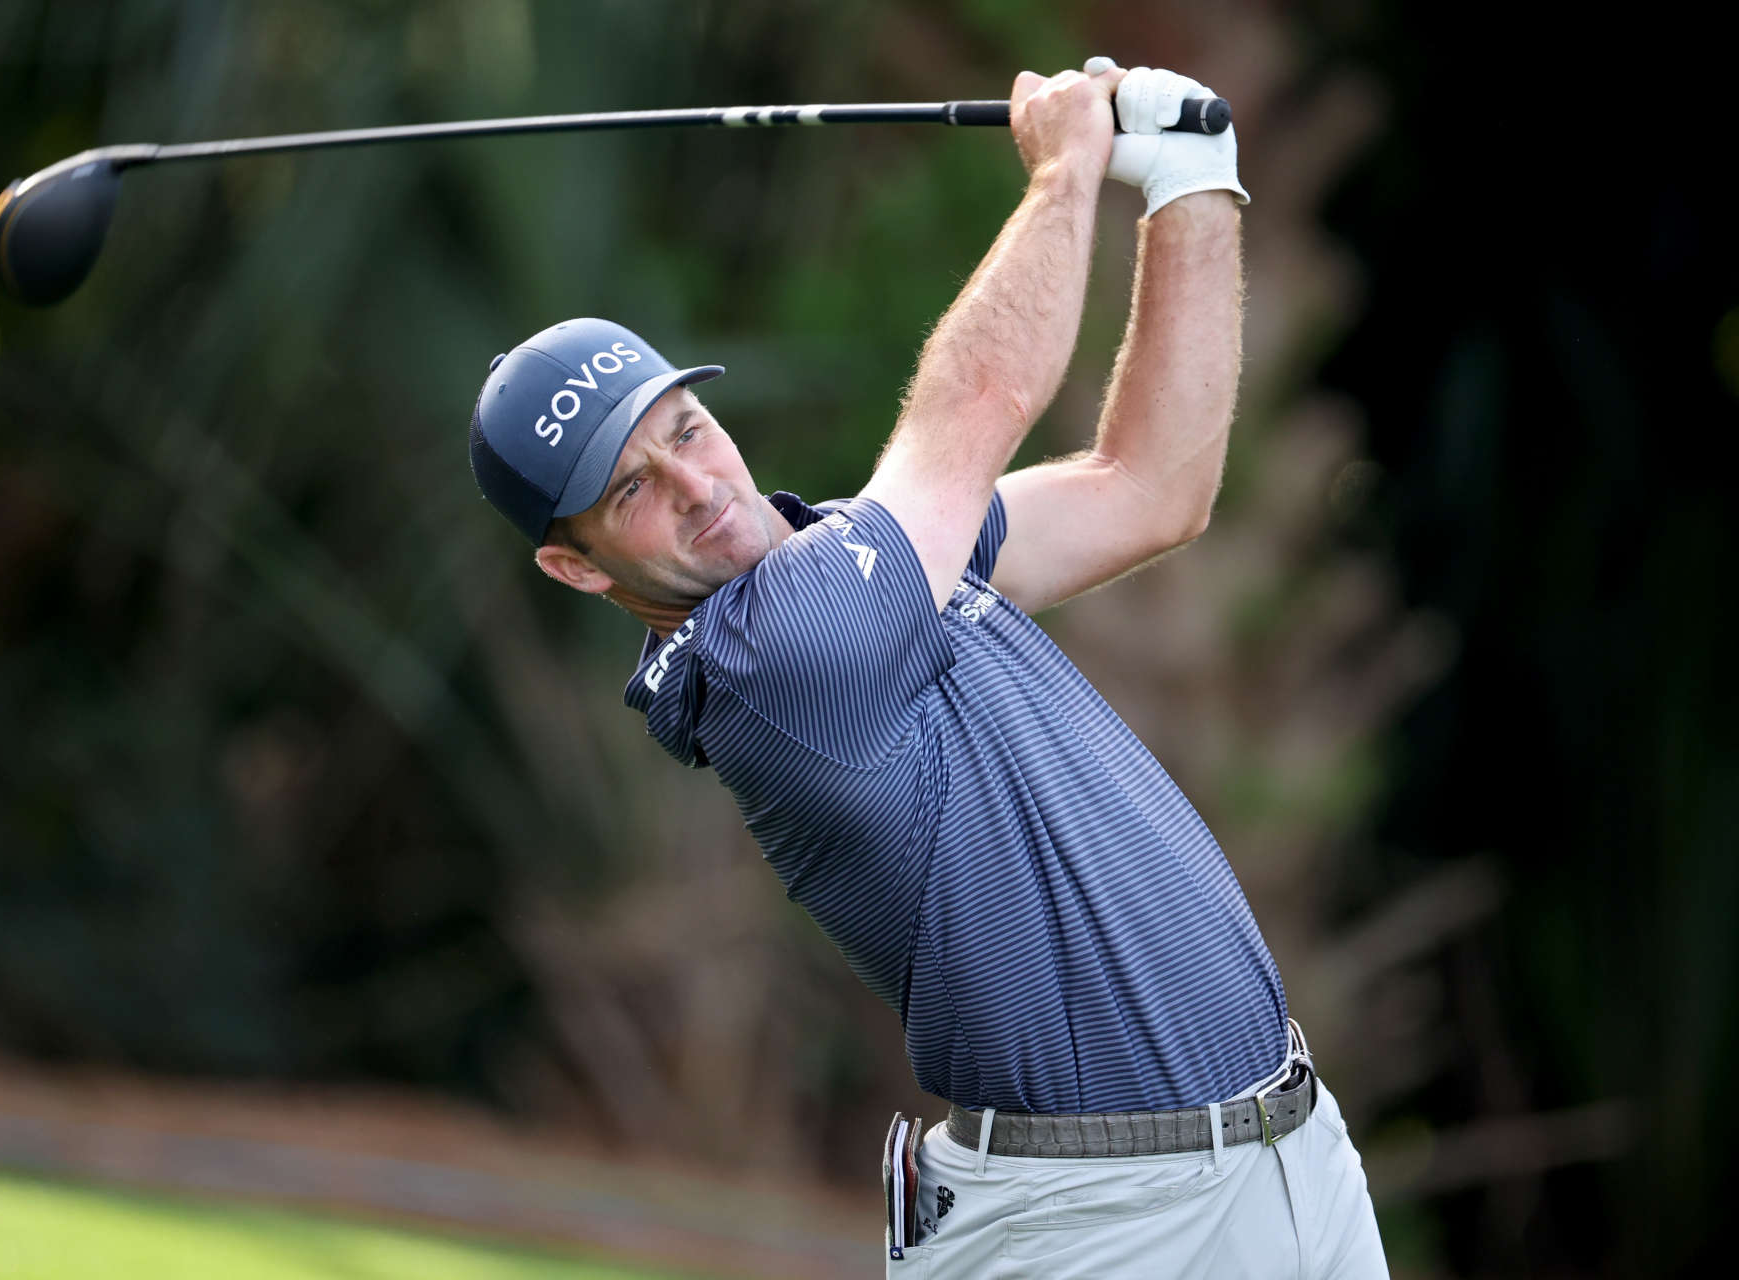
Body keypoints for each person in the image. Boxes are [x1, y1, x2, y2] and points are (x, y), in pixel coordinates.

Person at [468, 58, 1388, 1279]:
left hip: (1291, 1157)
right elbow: (981, 397)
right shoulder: (774, 656)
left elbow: (1151, 489)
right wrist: (1066, 168)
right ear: (578, 568)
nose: (696, 485)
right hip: (1103, 1224)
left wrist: (1191, 183)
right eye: (631, 489)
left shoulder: (882, 562)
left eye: (685, 429)